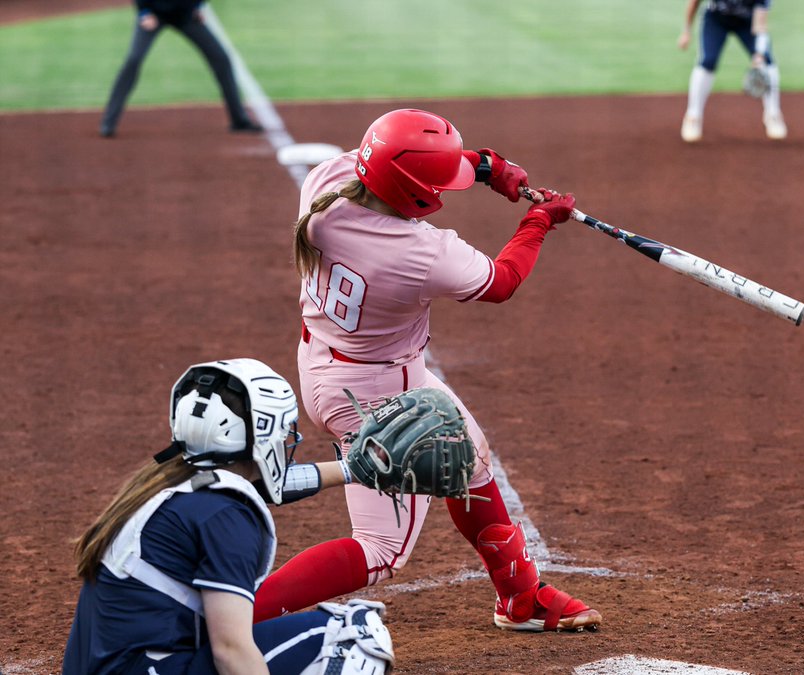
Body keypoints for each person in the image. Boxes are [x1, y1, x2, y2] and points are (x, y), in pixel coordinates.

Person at [252, 108, 602, 633]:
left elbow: (398, 163)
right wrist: (537, 222)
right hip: (377, 394)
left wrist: (483, 166)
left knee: (472, 461)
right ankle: (235, 615)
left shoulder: (327, 180)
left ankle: (521, 599)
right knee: (381, 550)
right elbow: (502, 280)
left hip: (329, 364)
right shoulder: (420, 252)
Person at [62, 358, 395, 674]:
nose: (284, 440)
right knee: (353, 637)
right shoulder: (224, 517)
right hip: (150, 667)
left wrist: (354, 469)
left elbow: (268, 485)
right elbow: (231, 650)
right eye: (279, 432)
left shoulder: (174, 484)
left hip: (126, 663)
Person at [99, 0, 262, 137]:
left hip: (185, 16)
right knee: (134, 59)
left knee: (221, 59)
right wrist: (143, 12)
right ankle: (108, 122)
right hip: (154, 13)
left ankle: (239, 120)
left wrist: (196, 7)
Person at [678, 0, 787, 142]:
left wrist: (759, 54)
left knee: (767, 62)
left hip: (747, 21)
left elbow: (760, 23)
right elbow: (694, 2)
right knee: (707, 61)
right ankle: (693, 116)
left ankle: (773, 115)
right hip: (716, 19)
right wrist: (687, 31)